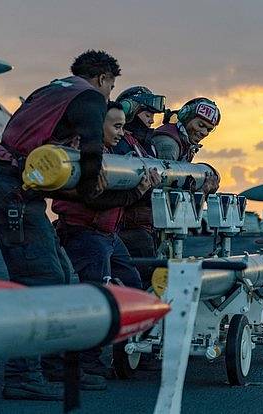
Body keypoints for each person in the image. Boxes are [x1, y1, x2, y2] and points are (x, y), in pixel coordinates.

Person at [0, 50, 121, 401]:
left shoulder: (51, 90)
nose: (109, 96)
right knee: (39, 281)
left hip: (12, 190)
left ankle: (53, 366)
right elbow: (91, 150)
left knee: (62, 275)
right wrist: (92, 187)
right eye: (110, 87)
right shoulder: (88, 96)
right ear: (103, 79)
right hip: (14, 194)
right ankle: (22, 376)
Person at [52, 101, 161, 377]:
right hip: (86, 234)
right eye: (117, 126)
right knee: (96, 296)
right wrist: (137, 192)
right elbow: (95, 200)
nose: (121, 133)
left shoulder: (110, 155)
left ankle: (129, 350)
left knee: (133, 285)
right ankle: (85, 362)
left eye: (123, 127)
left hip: (107, 235)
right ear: (96, 126)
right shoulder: (85, 155)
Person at [111, 86, 166, 287]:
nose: (151, 121)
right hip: (128, 227)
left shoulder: (144, 144)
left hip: (143, 226)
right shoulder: (120, 144)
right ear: (130, 111)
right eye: (147, 115)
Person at [151, 97, 221, 194]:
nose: (204, 133)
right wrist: (202, 192)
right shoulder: (169, 145)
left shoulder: (184, 143)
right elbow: (163, 194)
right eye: (201, 125)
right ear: (186, 116)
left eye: (209, 129)